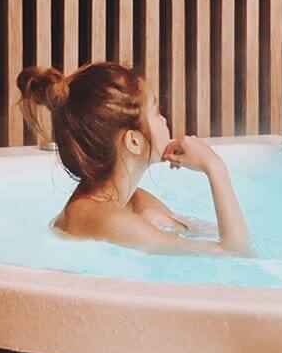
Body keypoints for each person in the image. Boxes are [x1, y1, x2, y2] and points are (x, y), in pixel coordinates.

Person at [16, 61, 252, 256]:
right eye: (156, 112)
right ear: (134, 142)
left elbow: (210, 234)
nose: (164, 120)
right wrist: (214, 167)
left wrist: (169, 226)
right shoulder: (108, 220)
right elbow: (235, 253)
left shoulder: (134, 201)